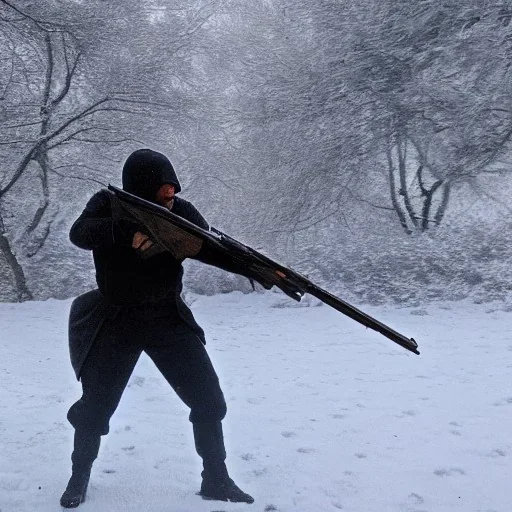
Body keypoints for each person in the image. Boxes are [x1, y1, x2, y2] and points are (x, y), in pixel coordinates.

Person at [60, 148, 255, 507]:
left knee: (209, 401)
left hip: (167, 319)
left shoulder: (180, 212)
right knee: (95, 409)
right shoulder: (108, 204)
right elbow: (80, 233)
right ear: (142, 186)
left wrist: (260, 271)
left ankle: (216, 479)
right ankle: (78, 477)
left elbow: (211, 247)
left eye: (173, 186)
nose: (171, 194)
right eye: (163, 187)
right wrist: (126, 232)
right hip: (118, 320)